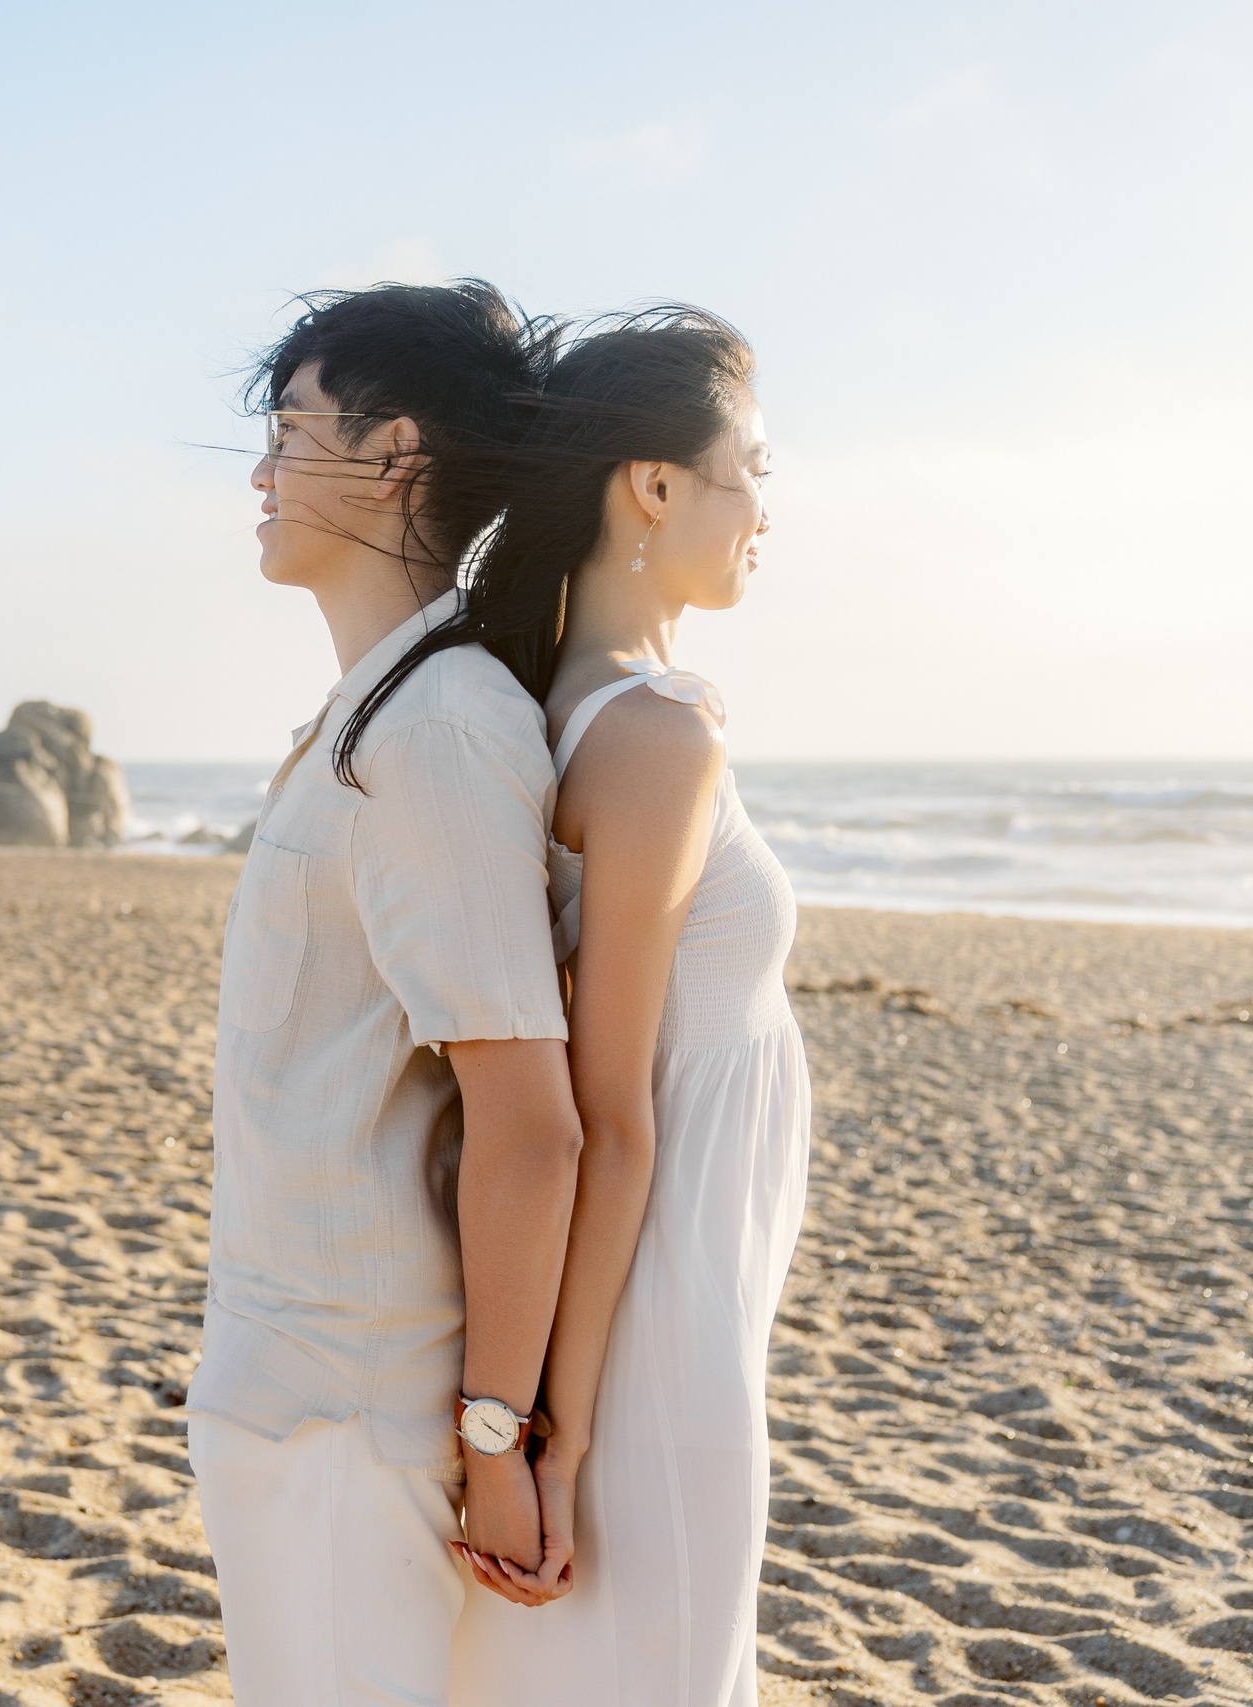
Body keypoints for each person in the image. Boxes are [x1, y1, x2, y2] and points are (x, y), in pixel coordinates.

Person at [188, 281, 586, 1707]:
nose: (260, 471)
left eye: (290, 429)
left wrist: (493, 1442)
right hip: (288, 1379)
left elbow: (530, 1125)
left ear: (393, 451)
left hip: (357, 1414)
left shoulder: (439, 731)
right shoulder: (372, 712)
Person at [447, 307, 813, 1706]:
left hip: (662, 1293)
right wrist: (561, 1437)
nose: (767, 509)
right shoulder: (657, 735)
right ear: (654, 485)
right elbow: (615, 1118)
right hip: (656, 1310)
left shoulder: (567, 704)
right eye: (753, 468)